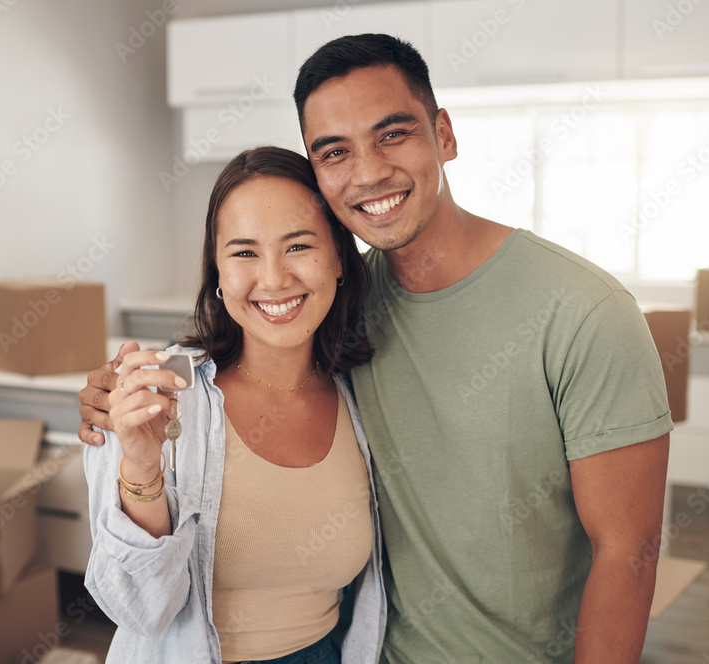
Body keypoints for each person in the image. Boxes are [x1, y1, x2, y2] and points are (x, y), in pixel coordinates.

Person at [80, 35, 671, 664]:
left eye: (393, 134)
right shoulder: (342, 316)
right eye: (334, 151)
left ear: (444, 134)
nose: (367, 172)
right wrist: (118, 416)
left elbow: (627, 551)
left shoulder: (584, 311)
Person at [83, 146, 386, 664]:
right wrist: (139, 464)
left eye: (298, 246)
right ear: (218, 274)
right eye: (244, 253)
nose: (273, 279)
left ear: (338, 258)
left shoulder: (363, 393)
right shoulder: (161, 395)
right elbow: (138, 611)